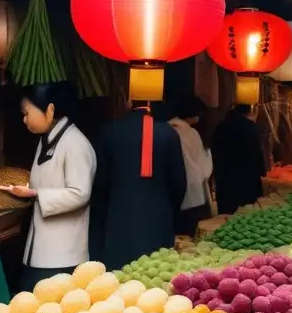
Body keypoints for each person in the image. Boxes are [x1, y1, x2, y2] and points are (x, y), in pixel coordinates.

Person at [11, 82, 96, 291]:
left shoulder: (76, 143)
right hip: (41, 246)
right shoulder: (45, 140)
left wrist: (36, 193)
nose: (24, 119)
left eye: (27, 112)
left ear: (49, 110)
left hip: (63, 253)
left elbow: (80, 194)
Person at [89, 107, 187, 271]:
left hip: (117, 220)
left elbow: (100, 184)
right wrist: (171, 212)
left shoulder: (108, 131)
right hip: (158, 221)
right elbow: (179, 184)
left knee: (118, 277)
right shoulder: (168, 133)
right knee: (156, 275)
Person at [168, 96, 213, 237]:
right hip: (193, 192)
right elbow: (204, 166)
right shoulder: (192, 134)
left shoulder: (167, 130)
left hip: (170, 191)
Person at [213, 104, 266, 215]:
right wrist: (262, 176)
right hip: (247, 180)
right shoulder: (251, 128)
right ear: (251, 111)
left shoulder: (220, 127)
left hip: (225, 181)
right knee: (247, 217)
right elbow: (257, 156)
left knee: (226, 216)